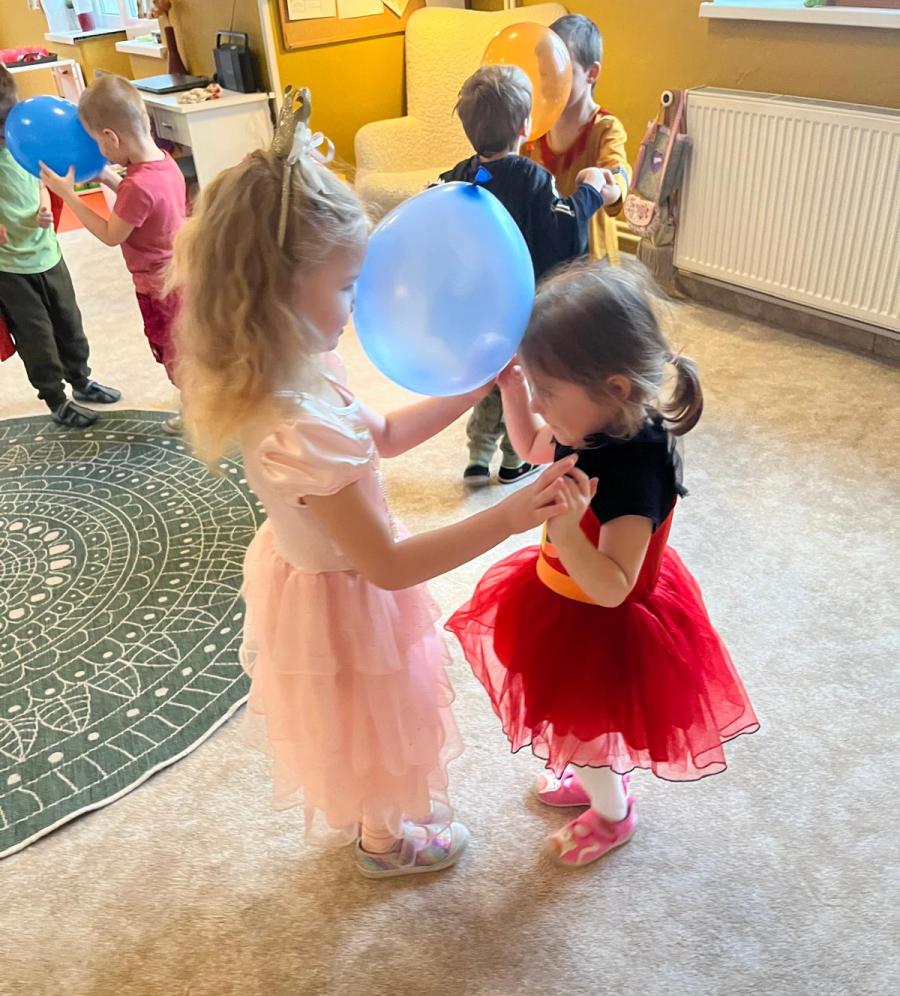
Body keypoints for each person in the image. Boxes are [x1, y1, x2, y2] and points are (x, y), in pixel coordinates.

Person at [170, 88, 579, 879]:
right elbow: (388, 564)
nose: (358, 305)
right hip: (345, 599)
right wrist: (509, 515)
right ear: (274, 291)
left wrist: (473, 387)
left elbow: (383, 435)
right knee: (373, 725)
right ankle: (385, 844)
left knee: (369, 722)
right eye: (345, 286)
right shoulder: (298, 423)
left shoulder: (298, 370)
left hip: (330, 575)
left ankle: (381, 826)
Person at [447, 262, 758, 868]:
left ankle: (613, 814)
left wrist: (565, 530)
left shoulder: (636, 472)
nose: (541, 406)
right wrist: (516, 392)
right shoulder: (586, 422)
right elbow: (532, 446)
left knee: (581, 728)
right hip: (560, 597)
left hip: (601, 625)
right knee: (575, 728)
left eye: (548, 392)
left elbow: (613, 586)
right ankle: (593, 775)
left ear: (614, 387)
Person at [440, 64, 620, 486]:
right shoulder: (532, 178)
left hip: (480, 307)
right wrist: (590, 192)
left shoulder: (459, 177)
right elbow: (563, 229)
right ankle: (514, 458)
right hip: (522, 308)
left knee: (490, 377)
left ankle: (478, 455)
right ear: (525, 125)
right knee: (519, 379)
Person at [40, 74, 186, 432]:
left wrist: (69, 195)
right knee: (186, 343)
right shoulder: (163, 163)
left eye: (96, 142)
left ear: (110, 137)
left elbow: (111, 234)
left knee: (175, 353)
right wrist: (105, 175)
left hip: (157, 285)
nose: (96, 149)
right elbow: (140, 205)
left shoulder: (138, 185)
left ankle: (196, 412)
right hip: (180, 274)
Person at [0, 65, 119, 428]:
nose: (5, 131)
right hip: (10, 269)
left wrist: (43, 204)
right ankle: (55, 397)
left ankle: (81, 379)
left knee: (69, 322)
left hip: (47, 252)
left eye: (7, 118)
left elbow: (39, 177)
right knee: (36, 337)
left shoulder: (22, 139)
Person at [524, 14, 631, 265]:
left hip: (590, 259)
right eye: (544, 73)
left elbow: (618, 167)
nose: (551, 83)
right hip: (547, 249)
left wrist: (614, 189)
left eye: (561, 72)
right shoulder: (536, 126)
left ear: (591, 73)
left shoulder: (605, 128)